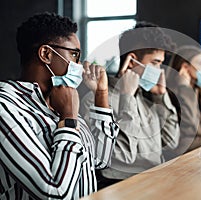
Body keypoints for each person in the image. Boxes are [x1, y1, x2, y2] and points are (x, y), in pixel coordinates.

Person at [0, 12, 119, 199]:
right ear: (46, 54)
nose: (80, 64)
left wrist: (101, 94)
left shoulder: (60, 99)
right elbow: (53, 192)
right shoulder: (6, 107)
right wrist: (68, 119)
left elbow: (100, 160)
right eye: (74, 55)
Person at [80, 22, 180, 188]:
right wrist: (127, 98)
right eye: (155, 63)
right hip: (121, 185)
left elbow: (170, 142)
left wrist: (162, 97)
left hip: (154, 178)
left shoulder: (145, 98)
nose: (159, 70)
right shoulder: (96, 100)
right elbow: (122, 156)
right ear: (132, 60)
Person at [165, 45, 201, 158]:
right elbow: (190, 127)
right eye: (200, 64)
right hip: (183, 156)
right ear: (185, 67)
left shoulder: (199, 91)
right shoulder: (171, 93)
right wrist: (184, 89)